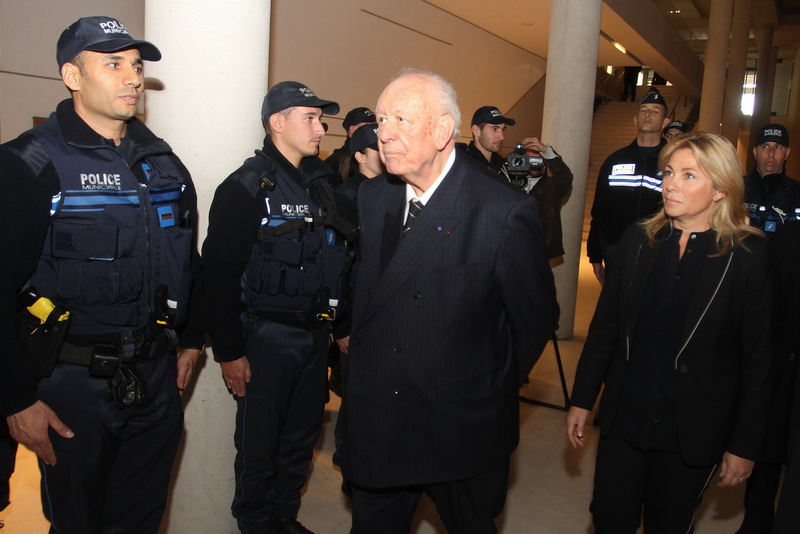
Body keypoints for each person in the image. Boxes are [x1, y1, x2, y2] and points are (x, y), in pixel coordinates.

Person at [0, 16, 204, 533]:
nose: (132, 78)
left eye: (135, 65)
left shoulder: (164, 166)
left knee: (140, 516)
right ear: (72, 76)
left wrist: (192, 340)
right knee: (79, 522)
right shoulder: (28, 164)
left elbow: (188, 261)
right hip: (71, 383)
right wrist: (16, 398)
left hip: (155, 379)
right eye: (113, 64)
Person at [339, 70, 558, 534]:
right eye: (381, 119)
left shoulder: (501, 210)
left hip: (459, 422)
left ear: (442, 132)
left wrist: (490, 384)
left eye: (401, 118)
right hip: (381, 415)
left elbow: (535, 318)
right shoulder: (375, 196)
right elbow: (372, 289)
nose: (385, 132)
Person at [567, 132, 772, 534]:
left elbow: (759, 360)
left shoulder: (746, 256)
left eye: (689, 175)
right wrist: (582, 399)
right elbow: (606, 327)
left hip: (692, 425)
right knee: (609, 517)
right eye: (669, 172)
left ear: (719, 190)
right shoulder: (638, 240)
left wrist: (744, 445)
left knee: (668, 523)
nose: (671, 184)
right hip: (627, 413)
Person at [203, 81, 349, 534]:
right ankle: (255, 523)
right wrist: (229, 351)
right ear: (277, 123)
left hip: (312, 338)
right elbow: (218, 276)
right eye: (309, 117)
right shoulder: (246, 187)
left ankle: (284, 518)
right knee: (259, 445)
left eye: (320, 119)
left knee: (300, 439)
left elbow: (339, 262)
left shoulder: (321, 186)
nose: (320, 128)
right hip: (264, 339)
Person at [736, 124, 798, 534]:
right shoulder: (735, 189)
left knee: (772, 425)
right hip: (737, 318)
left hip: (785, 328)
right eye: (765, 146)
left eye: (778, 147)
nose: (771, 154)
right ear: (755, 150)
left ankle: (760, 519)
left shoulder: (798, 195)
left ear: (787, 153)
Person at [587, 87, 669, 285]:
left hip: (658, 252)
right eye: (643, 110)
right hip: (617, 250)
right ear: (635, 120)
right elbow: (600, 209)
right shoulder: (615, 160)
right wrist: (595, 254)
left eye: (655, 111)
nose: (648, 114)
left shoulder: (673, 163)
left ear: (665, 122)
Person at [517, 137, 573, 263]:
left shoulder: (551, 186)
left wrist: (545, 150)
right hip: (511, 247)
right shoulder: (510, 182)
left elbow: (565, 177)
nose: (534, 163)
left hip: (538, 250)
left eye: (538, 159)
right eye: (529, 160)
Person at [458, 105, 516, 180]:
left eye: (503, 129)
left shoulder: (504, 166)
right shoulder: (463, 165)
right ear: (476, 130)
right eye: (495, 129)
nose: (502, 137)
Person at [324, 106, 375, 183]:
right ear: (353, 129)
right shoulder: (335, 162)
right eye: (368, 126)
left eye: (375, 125)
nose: (374, 130)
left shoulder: (375, 154)